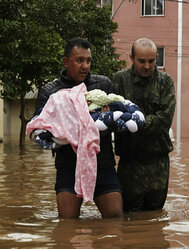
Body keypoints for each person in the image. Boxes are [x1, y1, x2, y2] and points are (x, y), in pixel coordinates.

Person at [33, 37, 123, 219]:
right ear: (66, 61)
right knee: (67, 224)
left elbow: (119, 118)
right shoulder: (51, 92)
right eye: (79, 60)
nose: (85, 66)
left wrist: (106, 120)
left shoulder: (103, 86)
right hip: (68, 166)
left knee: (115, 220)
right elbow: (38, 130)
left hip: (102, 164)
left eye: (88, 61)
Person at [111, 38, 176, 212]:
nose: (147, 66)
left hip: (157, 161)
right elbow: (109, 113)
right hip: (129, 161)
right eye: (141, 61)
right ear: (131, 58)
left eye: (151, 61)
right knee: (127, 214)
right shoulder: (118, 80)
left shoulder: (165, 82)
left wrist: (133, 122)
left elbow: (164, 119)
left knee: (155, 214)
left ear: (156, 57)